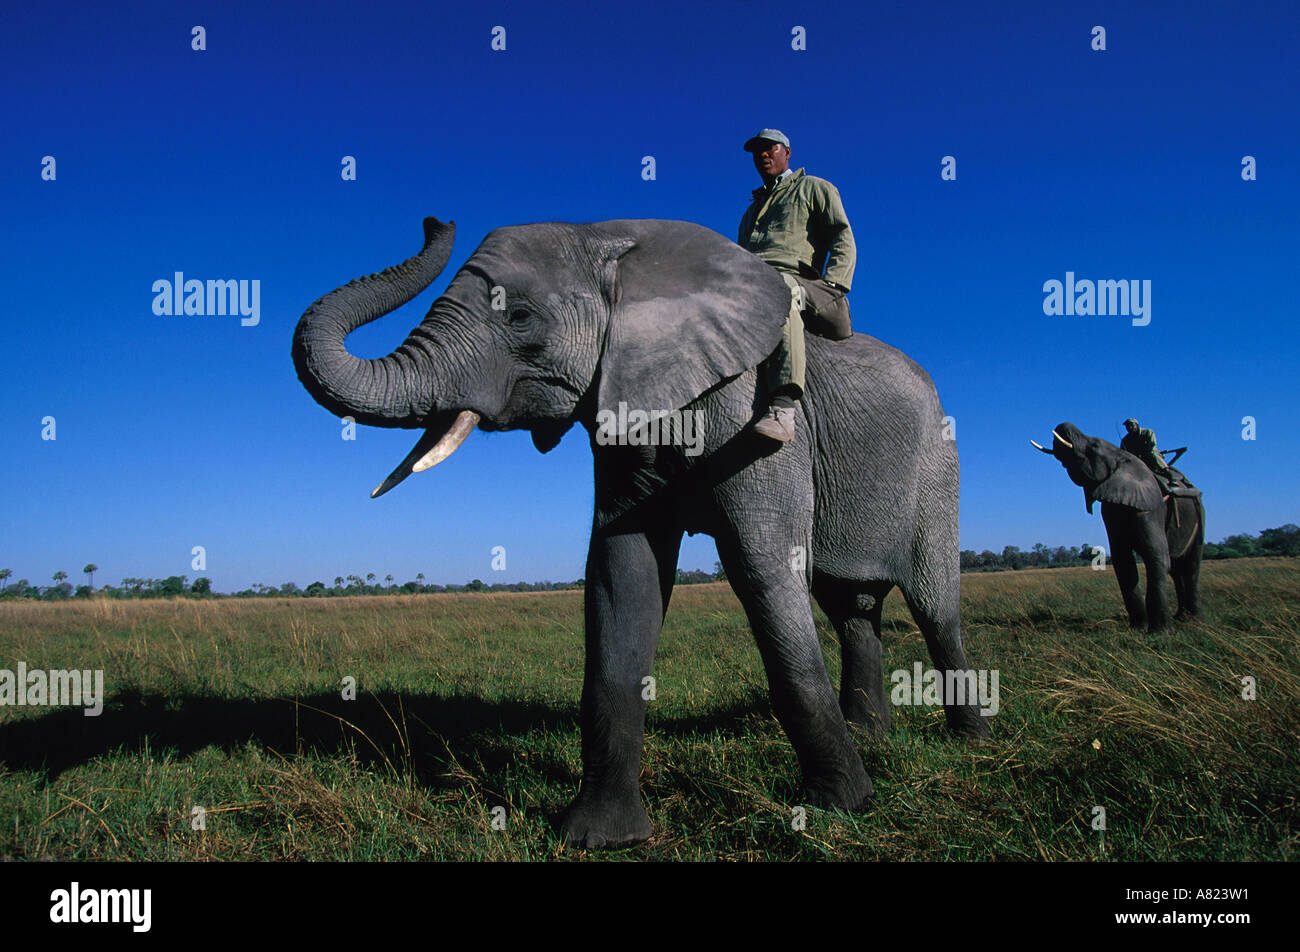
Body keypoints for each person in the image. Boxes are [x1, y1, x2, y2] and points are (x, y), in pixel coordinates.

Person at [738, 128, 857, 443]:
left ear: (787, 153)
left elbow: (841, 235)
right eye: (757, 151)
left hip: (805, 287)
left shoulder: (814, 188)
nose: (762, 155)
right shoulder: (750, 212)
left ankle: (783, 406)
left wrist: (835, 282)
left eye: (770, 148)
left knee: (783, 287)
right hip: (753, 286)